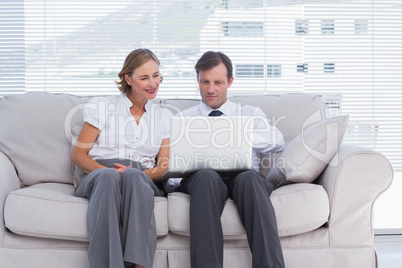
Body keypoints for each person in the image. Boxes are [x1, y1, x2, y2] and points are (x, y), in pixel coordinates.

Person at [176, 51, 286, 268]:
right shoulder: (183, 118)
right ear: (197, 81)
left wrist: (235, 135)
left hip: (243, 176)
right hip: (201, 177)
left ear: (230, 81)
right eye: (204, 82)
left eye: (217, 82)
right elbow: (173, 169)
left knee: (250, 180)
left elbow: (278, 142)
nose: (210, 89)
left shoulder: (249, 113)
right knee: (206, 177)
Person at [71, 48, 172, 268]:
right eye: (144, 78)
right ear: (128, 78)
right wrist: (104, 171)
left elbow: (163, 166)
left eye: (156, 75)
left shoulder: (164, 116)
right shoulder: (104, 106)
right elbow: (78, 154)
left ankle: (139, 265)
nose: (153, 83)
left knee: (134, 177)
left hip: (142, 176)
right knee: (109, 178)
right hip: (99, 173)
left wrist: (137, 174)